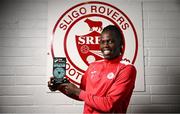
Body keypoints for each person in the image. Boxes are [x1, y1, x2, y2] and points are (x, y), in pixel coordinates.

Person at [48, 25, 136, 113]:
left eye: (110, 41)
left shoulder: (127, 69)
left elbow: (109, 104)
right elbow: (82, 95)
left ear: (120, 44)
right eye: (102, 42)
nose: (105, 45)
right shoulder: (93, 66)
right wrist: (60, 87)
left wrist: (76, 91)